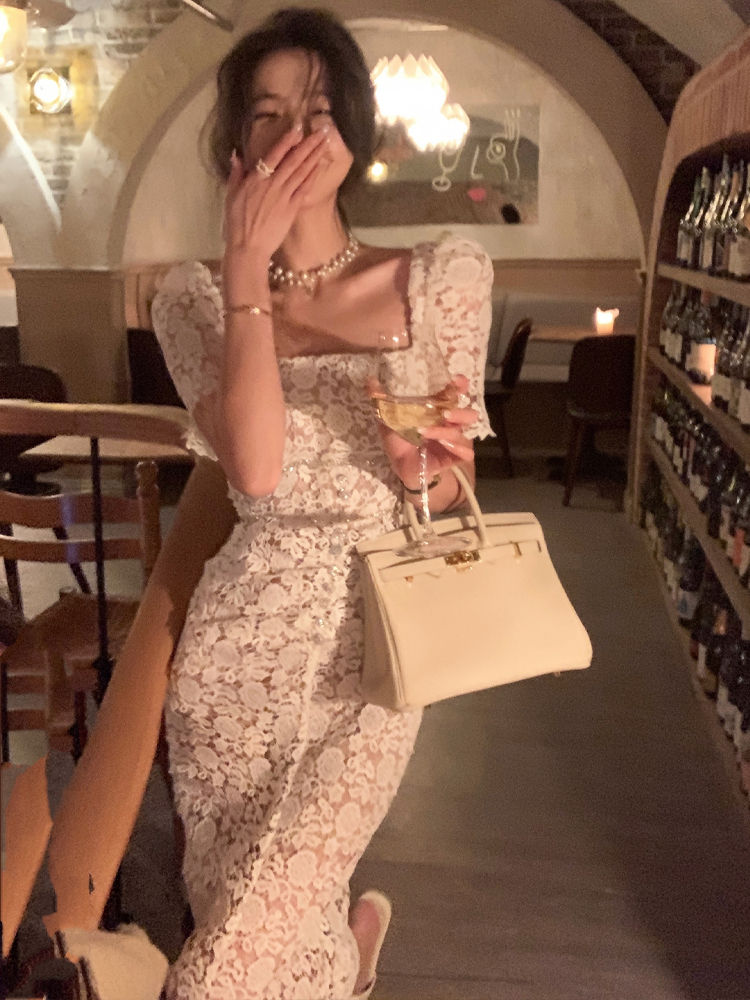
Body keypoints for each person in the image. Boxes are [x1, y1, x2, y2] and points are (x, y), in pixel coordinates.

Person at [151, 7, 494, 998]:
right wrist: (245, 270)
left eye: (317, 108)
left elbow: (452, 488)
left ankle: (346, 949)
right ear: (236, 144)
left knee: (222, 969)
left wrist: (422, 464)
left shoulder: (439, 278)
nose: (295, 133)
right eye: (266, 114)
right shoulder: (193, 300)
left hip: (376, 651)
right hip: (235, 654)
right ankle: (350, 957)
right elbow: (257, 472)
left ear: (354, 128)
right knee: (254, 922)